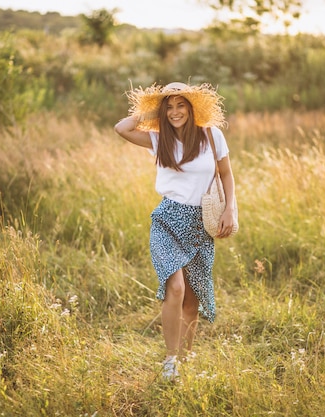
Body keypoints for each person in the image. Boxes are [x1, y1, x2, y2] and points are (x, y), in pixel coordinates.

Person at [114, 81, 236, 381]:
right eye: (169, 107)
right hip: (168, 219)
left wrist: (230, 209)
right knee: (176, 288)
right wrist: (152, 110)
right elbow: (122, 127)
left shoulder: (212, 135)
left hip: (200, 223)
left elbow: (226, 173)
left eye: (181, 105)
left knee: (192, 300)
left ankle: (185, 357)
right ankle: (170, 360)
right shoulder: (159, 140)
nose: (175, 111)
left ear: (192, 107)